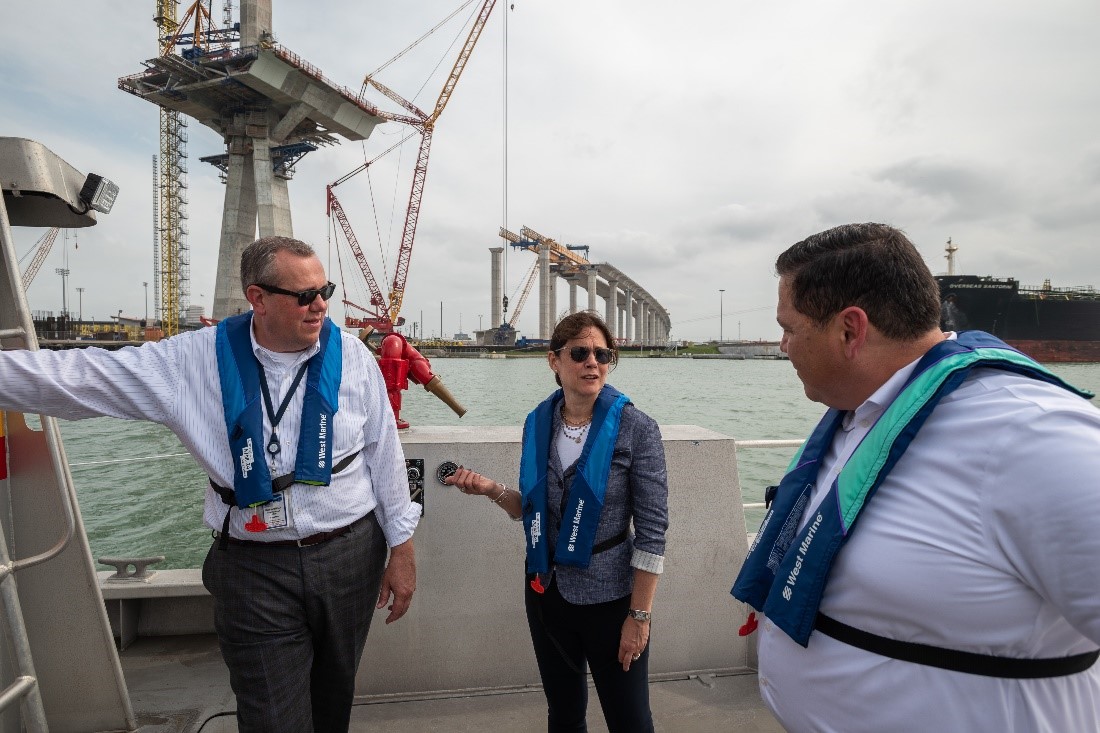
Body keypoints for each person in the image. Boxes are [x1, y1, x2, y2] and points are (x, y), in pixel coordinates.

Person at [0, 236, 419, 732]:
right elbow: (76, 377)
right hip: (254, 566)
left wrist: (402, 549)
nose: (321, 304)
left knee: (334, 696)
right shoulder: (187, 363)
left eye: (323, 289)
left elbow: (383, 453)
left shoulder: (352, 357)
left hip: (350, 553)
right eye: (304, 295)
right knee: (271, 717)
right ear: (257, 299)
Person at [731, 223, 1100, 732]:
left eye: (789, 328)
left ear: (849, 330)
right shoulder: (861, 413)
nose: (782, 346)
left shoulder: (1032, 436)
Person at [444, 311, 669, 732]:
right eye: (580, 352)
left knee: (630, 720)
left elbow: (653, 535)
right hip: (545, 593)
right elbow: (531, 512)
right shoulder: (537, 423)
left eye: (603, 354)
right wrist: (492, 489)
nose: (593, 363)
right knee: (563, 713)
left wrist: (639, 617)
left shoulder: (637, 429)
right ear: (554, 361)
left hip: (611, 600)